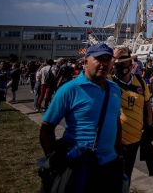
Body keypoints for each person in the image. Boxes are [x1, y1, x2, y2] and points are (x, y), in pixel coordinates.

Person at [39, 43, 124, 192]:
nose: (104, 64)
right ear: (85, 62)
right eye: (99, 59)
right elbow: (47, 126)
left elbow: (116, 124)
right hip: (80, 165)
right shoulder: (69, 90)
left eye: (108, 60)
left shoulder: (115, 89)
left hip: (110, 164)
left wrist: (119, 156)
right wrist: (52, 157)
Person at [108, 46, 153, 183]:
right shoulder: (109, 81)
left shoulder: (139, 81)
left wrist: (150, 127)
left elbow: (147, 104)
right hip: (113, 139)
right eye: (117, 63)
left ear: (130, 63)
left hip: (135, 139)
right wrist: (112, 58)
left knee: (126, 175)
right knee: (111, 177)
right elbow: (95, 77)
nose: (121, 65)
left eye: (124, 62)